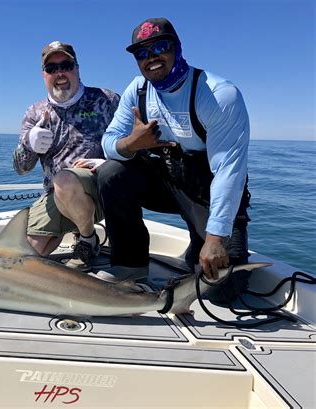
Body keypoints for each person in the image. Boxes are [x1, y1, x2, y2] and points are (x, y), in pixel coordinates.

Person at [96, 18, 251, 301]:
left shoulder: (217, 95)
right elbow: (108, 143)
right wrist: (131, 144)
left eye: (160, 47)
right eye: (142, 53)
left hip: (207, 189)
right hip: (165, 180)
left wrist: (216, 239)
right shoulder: (138, 90)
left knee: (222, 290)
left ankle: (200, 241)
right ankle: (129, 266)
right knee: (112, 173)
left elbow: (229, 170)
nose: (151, 58)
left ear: (177, 48)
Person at [13, 41, 120, 269]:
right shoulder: (35, 113)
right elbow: (21, 168)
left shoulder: (107, 100)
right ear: (44, 74)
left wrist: (108, 163)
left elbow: (132, 145)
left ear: (77, 68)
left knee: (65, 179)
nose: (59, 72)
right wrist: (29, 144)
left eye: (66, 65)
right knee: (22, 258)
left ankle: (87, 241)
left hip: (102, 193)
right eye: (52, 68)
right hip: (57, 197)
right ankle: (71, 229)